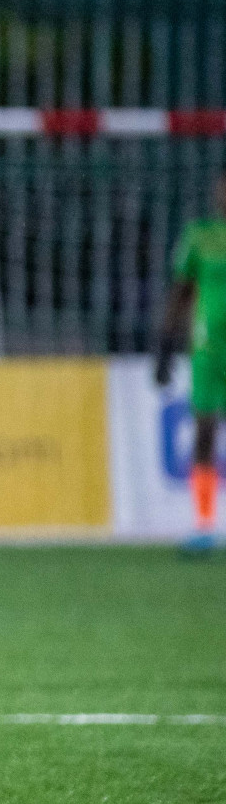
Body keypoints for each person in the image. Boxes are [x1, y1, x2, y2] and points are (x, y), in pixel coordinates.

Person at [157, 174, 226, 554]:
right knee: (204, 432)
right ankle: (204, 525)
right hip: (209, 350)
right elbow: (181, 293)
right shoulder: (200, 235)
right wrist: (165, 347)